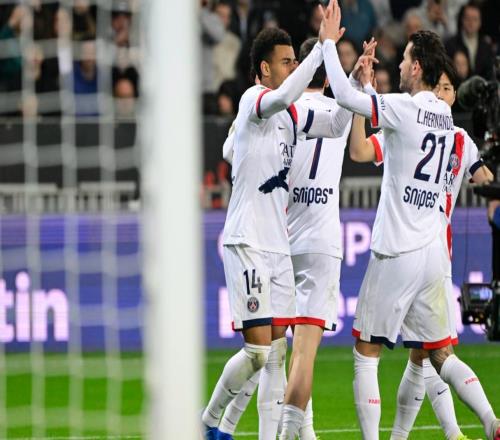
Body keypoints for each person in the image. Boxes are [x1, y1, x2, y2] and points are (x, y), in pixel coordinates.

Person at [319, 1, 500, 439]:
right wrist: (368, 88)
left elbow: (342, 96)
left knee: (366, 351)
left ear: (416, 67)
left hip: (397, 247)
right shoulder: (451, 125)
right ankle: (492, 422)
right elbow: (482, 177)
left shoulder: (403, 108)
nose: (398, 66)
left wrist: (327, 45)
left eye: (403, 60)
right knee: (440, 355)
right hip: (435, 253)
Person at [202, 24, 351, 440]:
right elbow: (283, 96)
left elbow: (336, 124)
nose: (293, 68)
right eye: (287, 62)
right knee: (256, 351)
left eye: (295, 62)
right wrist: (321, 49)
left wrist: (354, 84)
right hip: (248, 240)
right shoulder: (254, 98)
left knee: (275, 354)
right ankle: (209, 422)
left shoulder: (291, 115)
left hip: (279, 247)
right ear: (264, 69)